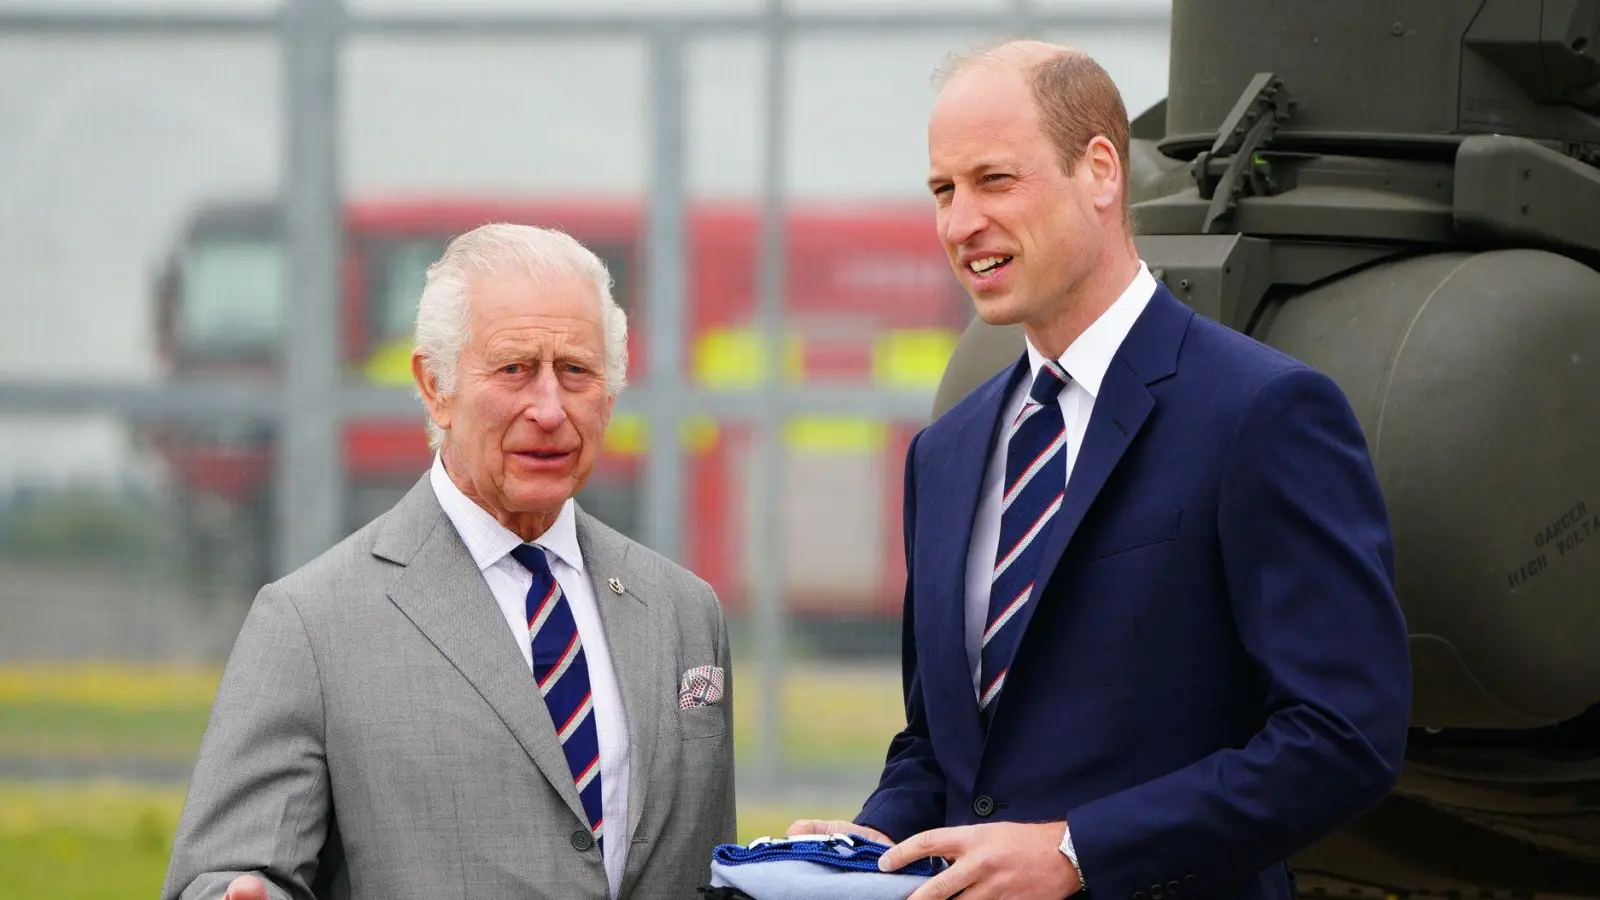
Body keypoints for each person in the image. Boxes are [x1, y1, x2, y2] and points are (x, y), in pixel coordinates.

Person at [788, 39, 1412, 900]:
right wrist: (871, 840)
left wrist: (1080, 851)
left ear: (1101, 172)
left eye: (994, 180)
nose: (960, 222)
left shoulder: (1263, 412)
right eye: (943, 190)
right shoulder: (947, 451)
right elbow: (943, 748)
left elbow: (1345, 735)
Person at [162, 223, 736, 900]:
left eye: (576, 371)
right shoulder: (312, 625)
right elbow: (222, 876)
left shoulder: (684, 613)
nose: (549, 409)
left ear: (609, 393)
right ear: (434, 386)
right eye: (514, 369)